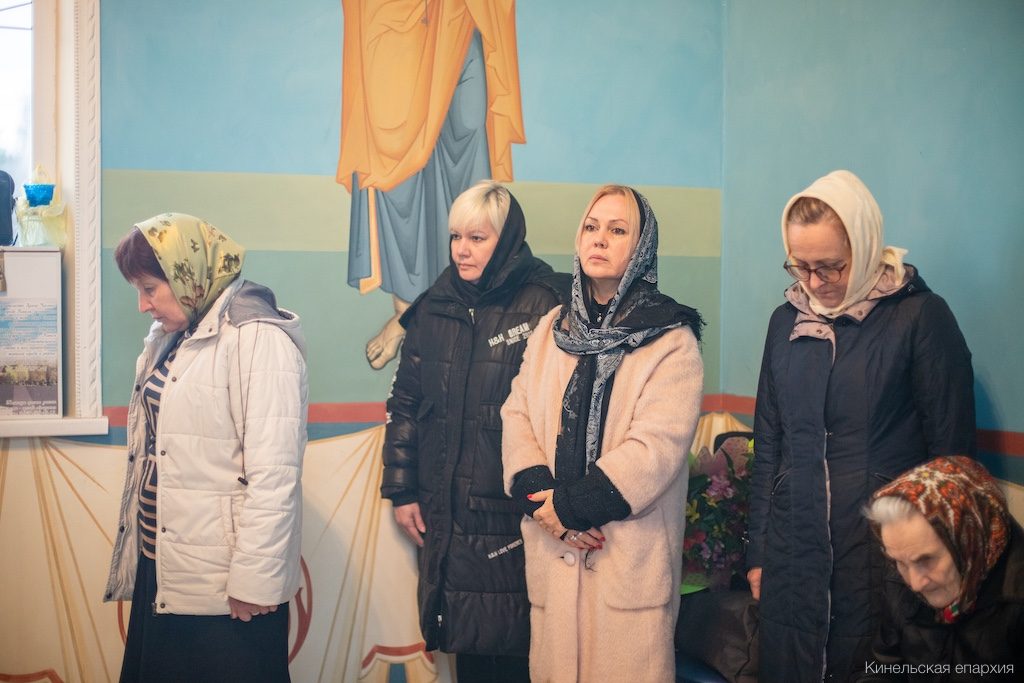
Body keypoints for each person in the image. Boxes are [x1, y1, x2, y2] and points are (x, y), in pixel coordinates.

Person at [746, 170, 976, 682]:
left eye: (831, 266)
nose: (814, 282)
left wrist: (946, 562)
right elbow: (770, 446)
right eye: (800, 265)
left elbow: (952, 461)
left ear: (866, 245)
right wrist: (758, 552)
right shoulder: (785, 323)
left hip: (883, 555)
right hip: (793, 554)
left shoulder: (920, 317)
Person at [501, 184, 704, 682]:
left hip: (625, 567)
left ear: (642, 247)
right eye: (591, 227)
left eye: (617, 230)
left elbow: (656, 449)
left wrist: (572, 508)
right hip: (554, 557)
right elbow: (516, 414)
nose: (599, 239)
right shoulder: (552, 329)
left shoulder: (670, 340)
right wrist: (544, 501)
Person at [104, 214, 308, 683]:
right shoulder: (181, 334)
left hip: (225, 589)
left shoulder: (258, 337)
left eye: (150, 288)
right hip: (169, 566)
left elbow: (275, 474)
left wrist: (256, 582)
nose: (143, 305)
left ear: (187, 274)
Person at [381, 181, 565, 682]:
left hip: (518, 508)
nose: (462, 249)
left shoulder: (548, 302)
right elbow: (406, 403)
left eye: (477, 238)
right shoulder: (435, 304)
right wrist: (402, 489)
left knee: (522, 648)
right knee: (468, 642)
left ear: (507, 241)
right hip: (445, 508)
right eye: (456, 237)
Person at [860, 456, 1024, 681]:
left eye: (926, 560)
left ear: (969, 541)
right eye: (899, 562)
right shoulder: (899, 573)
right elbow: (884, 666)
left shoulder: (1015, 600)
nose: (914, 583)